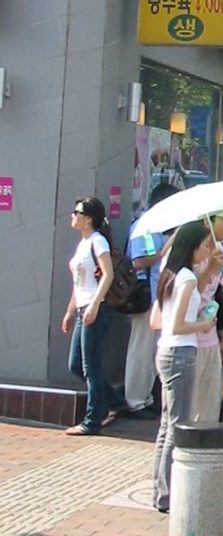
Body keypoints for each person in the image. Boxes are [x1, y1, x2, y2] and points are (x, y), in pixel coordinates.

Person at [151, 220, 219, 512]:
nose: (208, 250)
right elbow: (179, 325)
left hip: (167, 351)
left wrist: (211, 269)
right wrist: (204, 324)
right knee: (177, 425)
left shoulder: (173, 274)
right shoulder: (187, 278)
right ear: (192, 247)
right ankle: (168, 493)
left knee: (167, 424)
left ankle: (161, 489)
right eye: (204, 245)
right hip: (180, 352)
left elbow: (163, 320)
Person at [63, 196, 126, 436]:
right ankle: (115, 401)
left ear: (88, 219)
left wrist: (95, 305)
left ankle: (92, 420)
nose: (73, 216)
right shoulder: (83, 243)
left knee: (91, 366)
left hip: (95, 309)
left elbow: (107, 275)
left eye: (77, 212)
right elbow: (79, 283)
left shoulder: (98, 241)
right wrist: (70, 312)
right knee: (76, 364)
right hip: (83, 308)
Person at [122, 184, 172, 416]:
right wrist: (163, 252)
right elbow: (138, 261)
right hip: (145, 297)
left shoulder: (159, 229)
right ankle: (135, 400)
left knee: (153, 351)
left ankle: (147, 396)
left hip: (158, 298)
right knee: (140, 350)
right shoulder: (144, 227)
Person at [191, 211, 223, 426]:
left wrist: (221, 335)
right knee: (191, 405)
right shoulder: (188, 253)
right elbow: (188, 295)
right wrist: (210, 268)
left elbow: (218, 296)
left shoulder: (220, 250)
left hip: (210, 335)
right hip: (189, 339)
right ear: (207, 222)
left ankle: (208, 439)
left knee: (211, 401)